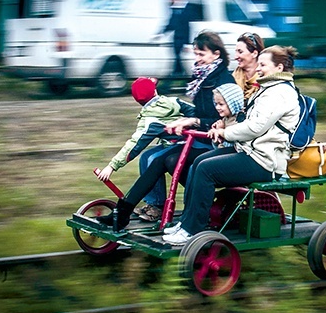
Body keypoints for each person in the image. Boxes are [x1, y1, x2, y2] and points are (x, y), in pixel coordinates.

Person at [163, 45, 301, 245]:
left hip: (264, 161)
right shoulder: (269, 89)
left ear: (279, 67)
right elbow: (249, 121)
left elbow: (255, 128)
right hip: (251, 151)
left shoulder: (278, 93)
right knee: (199, 161)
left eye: (263, 64)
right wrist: (224, 123)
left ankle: (192, 230)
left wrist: (225, 133)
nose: (259, 68)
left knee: (206, 170)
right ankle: (186, 222)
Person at [97, 30, 233, 230]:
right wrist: (187, 120)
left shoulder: (222, 81)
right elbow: (197, 111)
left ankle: (132, 211)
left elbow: (223, 118)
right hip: (201, 138)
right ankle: (124, 211)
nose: (197, 59)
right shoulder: (203, 79)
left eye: (201, 54)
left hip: (217, 142)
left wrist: (191, 121)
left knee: (166, 159)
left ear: (216, 54)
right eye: (195, 54)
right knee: (159, 159)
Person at [96, 76, 195, 222]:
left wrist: (112, 166)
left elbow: (134, 144)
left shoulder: (150, 119)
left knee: (152, 158)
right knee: (146, 156)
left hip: (184, 146)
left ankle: (156, 206)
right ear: (155, 91)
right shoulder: (172, 101)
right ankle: (154, 202)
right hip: (183, 143)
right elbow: (194, 111)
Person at [157, 0, 201, 77]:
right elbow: (171, 24)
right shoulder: (175, 10)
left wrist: (188, 42)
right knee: (178, 57)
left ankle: (177, 73)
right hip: (176, 38)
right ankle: (179, 72)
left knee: (180, 58)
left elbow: (189, 27)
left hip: (183, 38)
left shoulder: (189, 9)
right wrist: (161, 33)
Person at [210, 83, 245, 148]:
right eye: (216, 103)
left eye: (221, 104)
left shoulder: (239, 120)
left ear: (233, 103)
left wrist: (221, 130)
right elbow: (217, 147)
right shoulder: (226, 119)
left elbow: (232, 145)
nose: (217, 107)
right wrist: (215, 136)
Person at [233, 32, 265, 100]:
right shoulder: (231, 79)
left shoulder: (266, 80)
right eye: (236, 52)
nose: (235, 57)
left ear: (254, 54)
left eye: (240, 52)